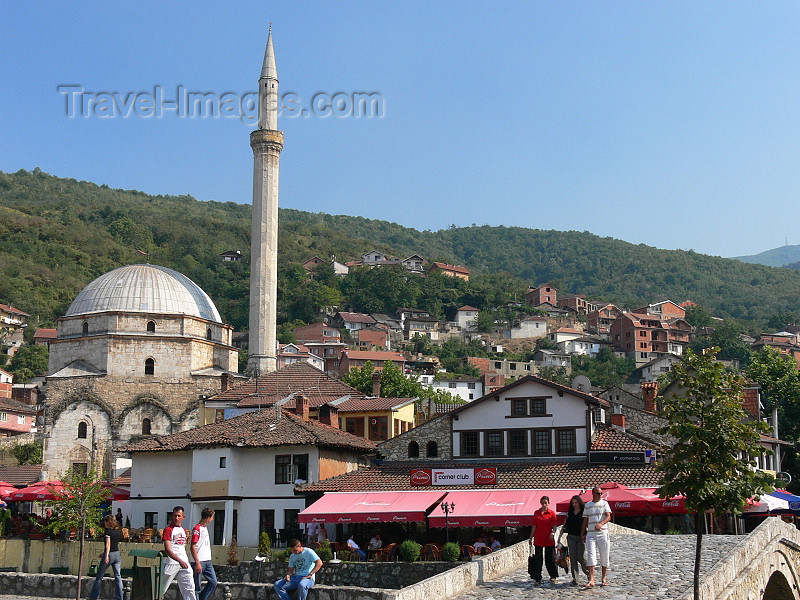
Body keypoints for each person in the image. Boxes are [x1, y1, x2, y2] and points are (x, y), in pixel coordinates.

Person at [162, 506, 196, 600]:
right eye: (174, 516)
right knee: (161, 589)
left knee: (189, 588)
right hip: (171, 562)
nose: (176, 518)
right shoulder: (168, 529)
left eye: (178, 516)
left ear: (183, 517)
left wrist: (183, 561)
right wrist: (179, 560)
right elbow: (168, 549)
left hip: (184, 562)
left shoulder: (184, 530)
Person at [582, 486, 612, 588]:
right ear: (593, 494)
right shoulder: (588, 505)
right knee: (591, 555)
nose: (600, 495)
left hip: (602, 533)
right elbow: (585, 520)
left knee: (604, 555)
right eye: (598, 493)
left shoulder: (604, 503)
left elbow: (608, 516)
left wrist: (601, 524)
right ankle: (591, 579)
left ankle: (603, 578)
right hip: (591, 533)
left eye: (601, 493)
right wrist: (582, 533)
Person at [89, 515, 123, 600]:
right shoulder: (117, 531)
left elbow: (108, 544)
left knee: (99, 576)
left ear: (108, 522)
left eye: (105, 521)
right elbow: (114, 544)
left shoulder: (107, 531)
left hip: (110, 554)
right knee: (118, 577)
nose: (104, 523)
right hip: (117, 554)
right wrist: (103, 553)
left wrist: (106, 555)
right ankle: (120, 597)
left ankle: (94, 597)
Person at [559, 494, 589, 586]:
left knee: (581, 557)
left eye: (576, 502)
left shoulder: (584, 513)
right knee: (573, 558)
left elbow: (587, 525)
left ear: (580, 503)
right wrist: (559, 537)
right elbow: (564, 526)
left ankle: (589, 573)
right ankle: (575, 579)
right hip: (571, 537)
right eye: (573, 503)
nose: (574, 504)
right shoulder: (570, 513)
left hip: (581, 537)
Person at [529, 495, 559, 585]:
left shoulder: (551, 513)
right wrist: (531, 537)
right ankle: (538, 578)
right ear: (540, 503)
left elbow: (554, 525)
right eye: (543, 503)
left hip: (548, 538)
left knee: (550, 558)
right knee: (538, 559)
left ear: (548, 503)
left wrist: (553, 532)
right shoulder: (536, 513)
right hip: (539, 538)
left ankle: (553, 575)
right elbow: (534, 525)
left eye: (545, 503)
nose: (544, 504)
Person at [191, 508, 217, 600]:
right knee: (197, 587)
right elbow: (193, 546)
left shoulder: (204, 528)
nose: (212, 519)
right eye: (212, 517)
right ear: (208, 517)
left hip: (207, 560)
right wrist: (197, 562)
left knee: (213, 582)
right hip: (199, 561)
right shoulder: (197, 529)